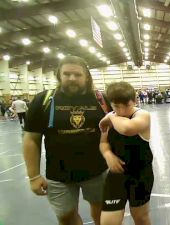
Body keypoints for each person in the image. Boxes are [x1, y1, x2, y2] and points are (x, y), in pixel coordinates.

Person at [23, 56, 109, 225]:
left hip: (97, 170)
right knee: (66, 217)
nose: (72, 78)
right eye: (67, 74)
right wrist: (33, 176)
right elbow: (31, 139)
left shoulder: (101, 100)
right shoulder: (43, 100)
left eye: (77, 74)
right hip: (59, 174)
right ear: (59, 75)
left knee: (101, 212)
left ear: (86, 76)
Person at [98, 81, 153, 225]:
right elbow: (103, 143)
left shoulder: (142, 115)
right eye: (116, 106)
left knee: (141, 218)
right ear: (111, 103)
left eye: (126, 106)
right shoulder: (111, 118)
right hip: (116, 175)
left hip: (140, 175)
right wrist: (108, 155)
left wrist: (110, 116)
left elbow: (127, 129)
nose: (122, 111)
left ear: (134, 101)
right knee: (108, 222)